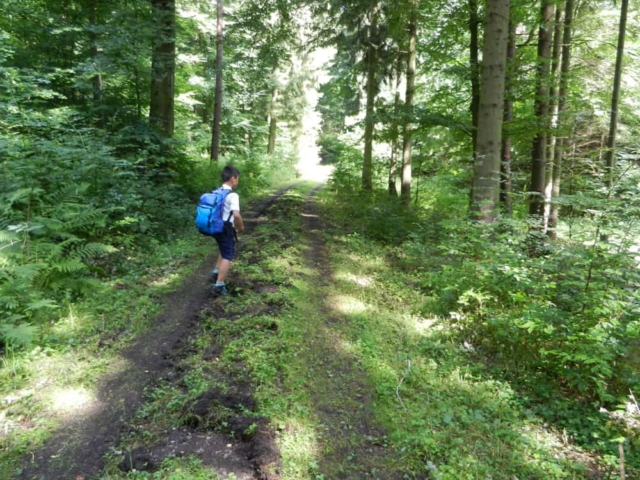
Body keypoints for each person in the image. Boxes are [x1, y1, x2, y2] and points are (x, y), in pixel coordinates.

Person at [211, 165, 244, 296]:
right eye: (237, 179)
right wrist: (240, 227)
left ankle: (216, 271)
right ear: (233, 179)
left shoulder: (216, 191)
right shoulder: (232, 195)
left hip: (215, 227)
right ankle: (219, 285)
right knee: (228, 255)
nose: (237, 181)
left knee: (223, 248)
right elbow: (236, 215)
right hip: (225, 228)